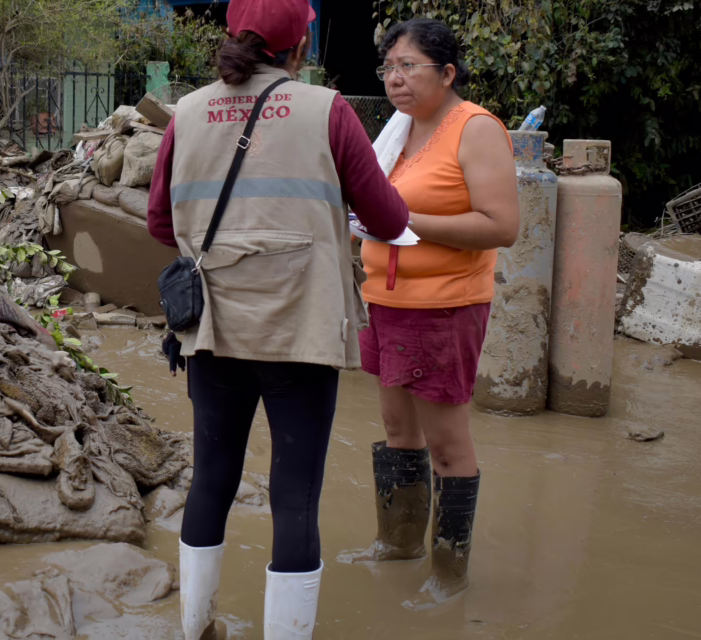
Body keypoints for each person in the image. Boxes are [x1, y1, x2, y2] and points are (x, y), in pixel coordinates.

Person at [146, 0, 409, 636]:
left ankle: (196, 627)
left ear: (235, 35)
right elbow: (390, 221)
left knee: (210, 480)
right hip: (302, 328)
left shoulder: (185, 113)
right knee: (295, 496)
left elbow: (159, 223)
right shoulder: (328, 110)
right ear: (301, 48)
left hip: (212, 328)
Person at [339, 18, 519, 610]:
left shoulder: (475, 128)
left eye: (408, 66)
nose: (395, 78)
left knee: (447, 446)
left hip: (444, 308)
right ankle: (398, 543)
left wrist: (403, 221)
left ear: (447, 72)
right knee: (397, 431)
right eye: (388, 67)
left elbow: (502, 227)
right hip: (385, 302)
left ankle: (449, 571)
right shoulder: (398, 131)